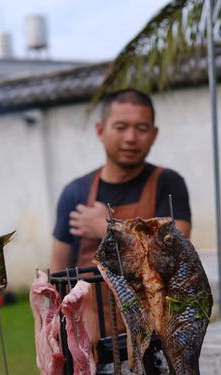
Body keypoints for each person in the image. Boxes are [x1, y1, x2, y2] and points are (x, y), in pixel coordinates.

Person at [50, 88, 191, 274]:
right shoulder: (75, 193)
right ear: (100, 131)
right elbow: (57, 273)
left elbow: (174, 256)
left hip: (151, 303)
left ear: (154, 134)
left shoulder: (168, 184)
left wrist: (109, 230)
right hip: (87, 303)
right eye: (120, 127)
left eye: (141, 129)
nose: (131, 138)